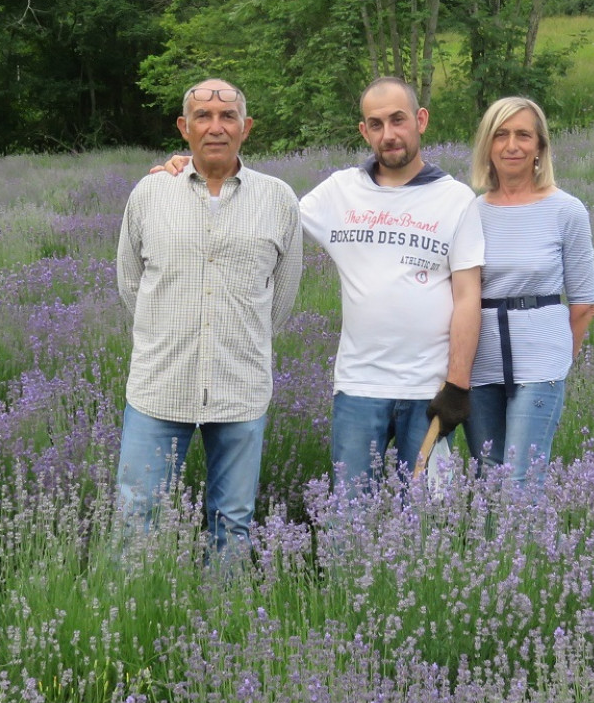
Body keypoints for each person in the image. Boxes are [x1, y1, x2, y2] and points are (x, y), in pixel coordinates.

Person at [156, 78, 481, 487]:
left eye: (398, 120)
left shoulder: (456, 199)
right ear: (363, 131)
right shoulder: (340, 191)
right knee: (350, 509)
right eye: (376, 124)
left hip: (429, 389)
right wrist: (193, 169)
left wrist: (457, 385)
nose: (388, 134)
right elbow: (265, 212)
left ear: (421, 120)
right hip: (358, 387)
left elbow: (468, 297)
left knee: (427, 509)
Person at [115, 79, 303, 549]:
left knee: (233, 520)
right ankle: (136, 596)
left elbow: (282, 296)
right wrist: (167, 331)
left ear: (246, 127)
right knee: (137, 515)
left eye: (227, 116)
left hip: (240, 387)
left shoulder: (278, 199)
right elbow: (131, 283)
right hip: (160, 385)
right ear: (185, 127)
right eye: (203, 116)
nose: (215, 127)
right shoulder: (150, 193)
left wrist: (240, 335)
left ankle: (224, 598)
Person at [466, 96, 594, 488]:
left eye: (523, 135)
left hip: (541, 362)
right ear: (488, 145)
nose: (512, 145)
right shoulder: (470, 212)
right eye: (501, 135)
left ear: (540, 146)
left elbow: (584, 303)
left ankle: (527, 538)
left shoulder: (567, 211)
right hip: (479, 363)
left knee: (521, 482)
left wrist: (556, 363)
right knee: (488, 480)